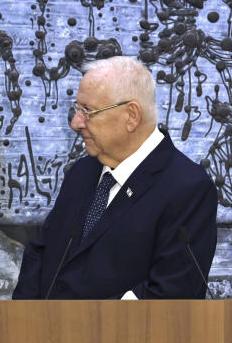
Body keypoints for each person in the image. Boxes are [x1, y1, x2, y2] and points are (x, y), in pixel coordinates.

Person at [12, 56, 217, 300]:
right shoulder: (81, 172)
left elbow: (171, 294)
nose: (76, 123)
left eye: (87, 111)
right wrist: (25, 323)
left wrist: (81, 326)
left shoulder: (187, 188)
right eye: (77, 109)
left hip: (120, 336)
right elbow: (41, 253)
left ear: (131, 115)